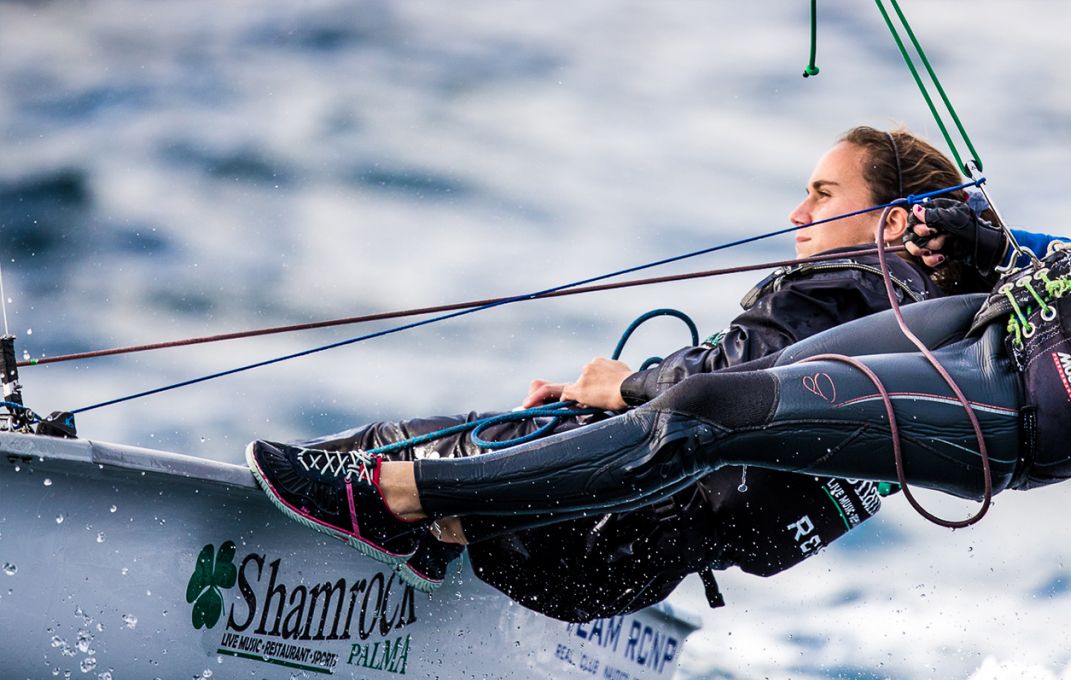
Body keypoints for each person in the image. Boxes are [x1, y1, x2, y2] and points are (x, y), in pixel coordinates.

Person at [247, 143, 1071, 585]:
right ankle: (489, 501)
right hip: (1009, 316)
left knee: (712, 411)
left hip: (1025, 408)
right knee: (711, 383)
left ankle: (412, 500)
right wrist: (1000, 238)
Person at [281, 126, 991, 620]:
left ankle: (274, 520)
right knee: (503, 438)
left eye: (823, 194)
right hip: (633, 565)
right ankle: (432, 538)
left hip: (594, 519)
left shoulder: (846, 289)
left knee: (389, 444)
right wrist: (595, 400)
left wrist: (620, 386)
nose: (797, 212)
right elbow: (754, 394)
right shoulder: (927, 338)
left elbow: (726, 379)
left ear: (893, 223)